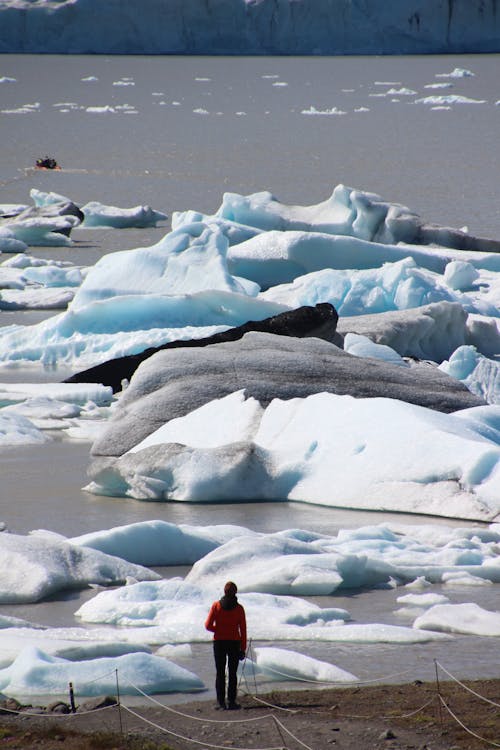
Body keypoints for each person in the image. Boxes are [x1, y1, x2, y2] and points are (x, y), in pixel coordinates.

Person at [205, 581, 247, 710]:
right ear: (235, 593)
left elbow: (207, 625)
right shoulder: (239, 609)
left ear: (224, 592)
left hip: (219, 642)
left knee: (220, 672)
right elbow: (243, 630)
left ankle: (220, 702)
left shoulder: (216, 606)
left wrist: (218, 630)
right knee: (232, 673)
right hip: (234, 642)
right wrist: (243, 648)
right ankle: (232, 701)